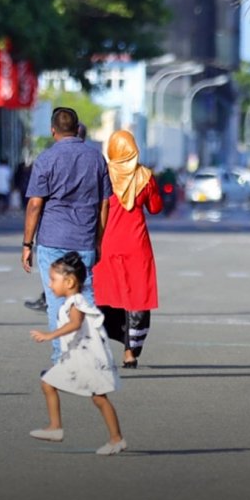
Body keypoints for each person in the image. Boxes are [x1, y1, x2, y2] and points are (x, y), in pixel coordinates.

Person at [22, 106, 111, 362]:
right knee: (86, 297)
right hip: (84, 239)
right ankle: (93, 355)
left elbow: (35, 204)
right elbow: (105, 203)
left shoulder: (46, 159)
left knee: (55, 300)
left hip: (52, 240)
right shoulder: (96, 158)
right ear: (78, 128)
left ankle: (62, 358)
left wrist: (27, 243)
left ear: (53, 131)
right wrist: (99, 239)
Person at [28, 251, 125, 455]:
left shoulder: (76, 303)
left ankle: (114, 438)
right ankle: (56, 428)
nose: (50, 284)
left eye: (54, 280)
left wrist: (49, 335)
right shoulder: (71, 302)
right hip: (78, 357)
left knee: (98, 398)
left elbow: (75, 323)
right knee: (50, 384)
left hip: (87, 359)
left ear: (70, 282)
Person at [93, 130, 163, 368]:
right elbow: (155, 208)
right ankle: (130, 353)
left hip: (106, 244)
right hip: (137, 245)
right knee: (137, 298)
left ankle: (100, 350)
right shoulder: (145, 176)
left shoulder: (102, 174)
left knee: (104, 297)